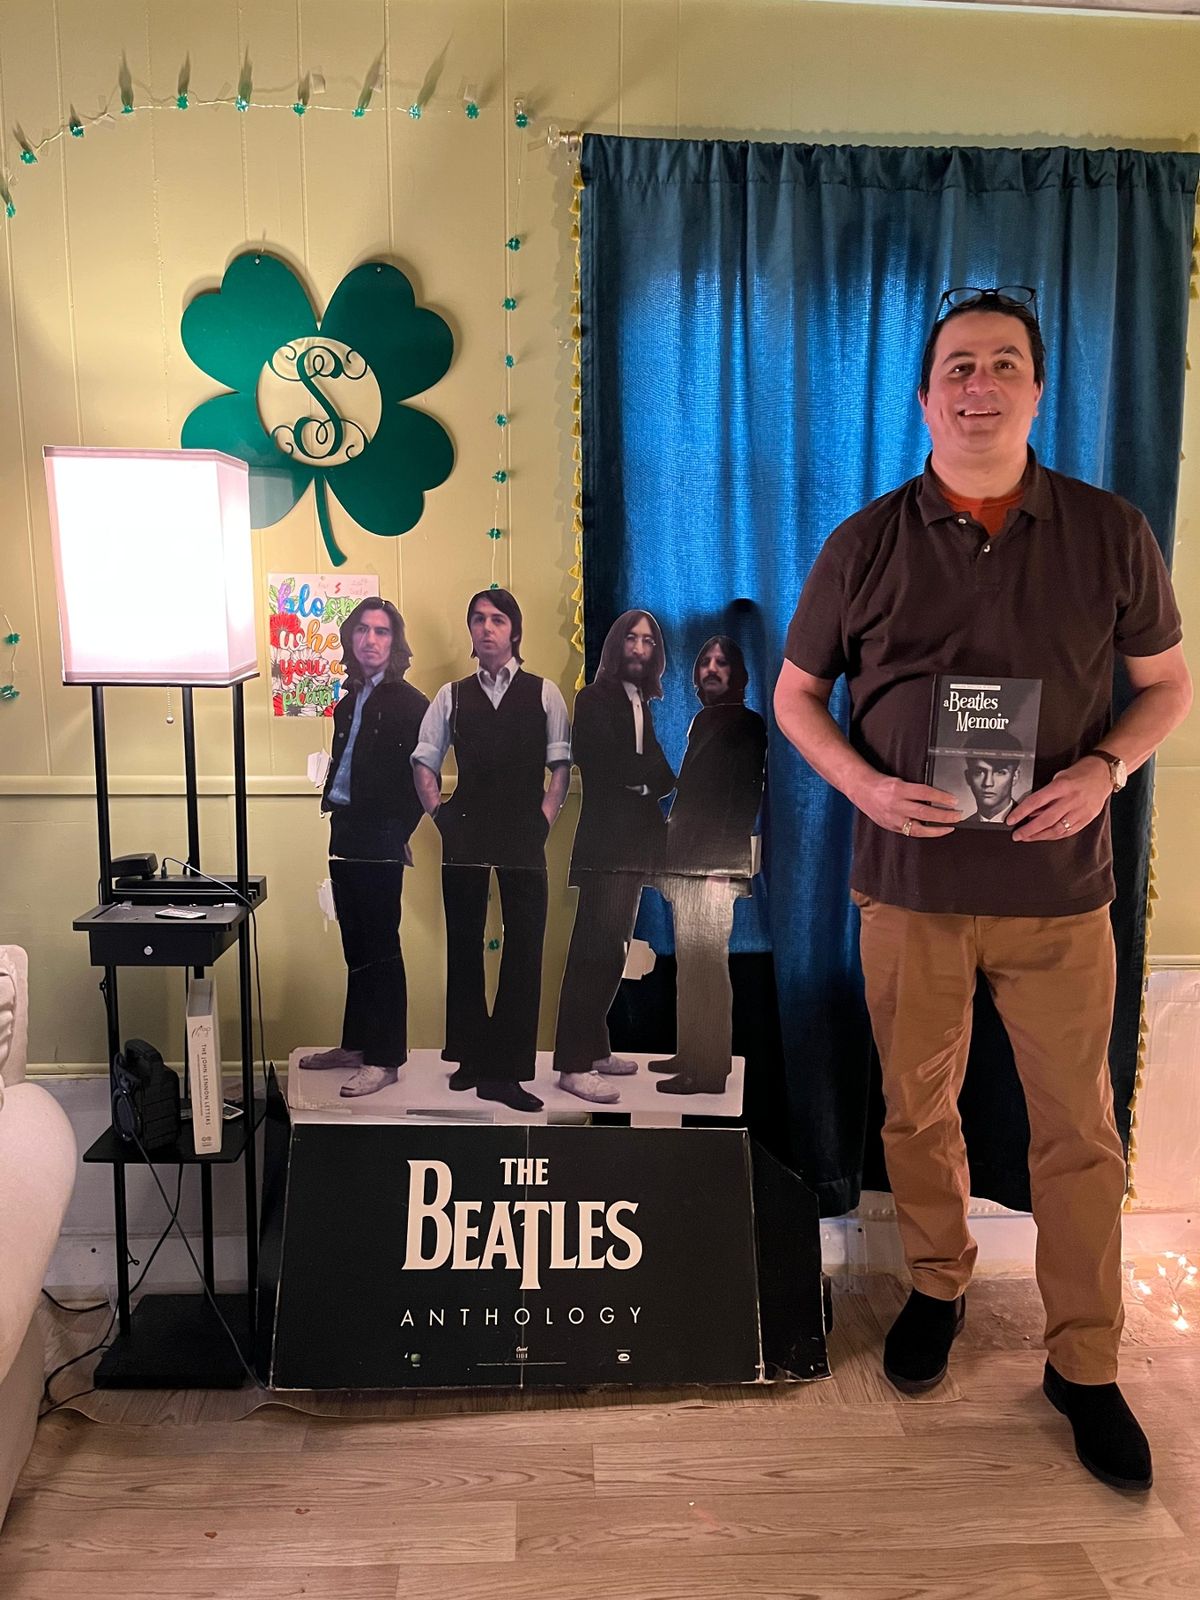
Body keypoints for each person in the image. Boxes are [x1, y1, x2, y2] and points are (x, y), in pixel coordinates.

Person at [774, 285, 1191, 1491]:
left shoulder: (1113, 532)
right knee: (918, 1108)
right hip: (907, 882)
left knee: (1078, 1129)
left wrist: (1108, 768)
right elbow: (799, 695)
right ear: (926, 394)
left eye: (1004, 364)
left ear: (1036, 390)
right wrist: (859, 784)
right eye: (959, 364)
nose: (979, 383)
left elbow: (1168, 685)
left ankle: (1086, 1361)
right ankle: (938, 1289)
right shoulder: (864, 543)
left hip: (1062, 889)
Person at [412, 588, 570, 1113]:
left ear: (515, 631)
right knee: (464, 944)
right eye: (477, 619)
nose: (486, 628)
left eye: (497, 620)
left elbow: (560, 767)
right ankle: (472, 1057)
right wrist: (441, 819)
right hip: (467, 831)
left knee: (524, 948)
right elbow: (424, 760)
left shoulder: (545, 693)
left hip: (524, 832)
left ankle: (506, 1070)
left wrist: (543, 821)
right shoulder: (450, 696)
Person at [299, 598, 428, 1098]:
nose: (371, 640)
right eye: (363, 630)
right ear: (351, 639)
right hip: (345, 830)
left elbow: (424, 777)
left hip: (380, 835)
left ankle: (385, 1057)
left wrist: (401, 832)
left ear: (394, 642)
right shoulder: (347, 702)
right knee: (355, 946)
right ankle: (355, 1044)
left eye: (382, 631)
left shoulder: (411, 704)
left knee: (381, 948)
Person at [552, 610, 676, 1104]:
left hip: (633, 844)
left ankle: (595, 1049)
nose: (641, 647)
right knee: (592, 952)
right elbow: (600, 763)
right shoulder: (593, 698)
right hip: (606, 845)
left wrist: (645, 780)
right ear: (616, 644)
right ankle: (572, 1066)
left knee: (613, 951)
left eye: (649, 641)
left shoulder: (643, 701)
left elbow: (664, 774)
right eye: (633, 637)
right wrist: (644, 780)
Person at [649, 636, 767, 1094]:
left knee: (708, 965)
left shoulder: (746, 723)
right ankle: (691, 1053)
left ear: (738, 675)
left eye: (723, 663)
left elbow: (741, 802)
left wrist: (719, 867)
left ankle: (710, 1069)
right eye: (706, 663)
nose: (713, 669)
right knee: (691, 962)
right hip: (689, 859)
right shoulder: (705, 720)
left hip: (713, 865)